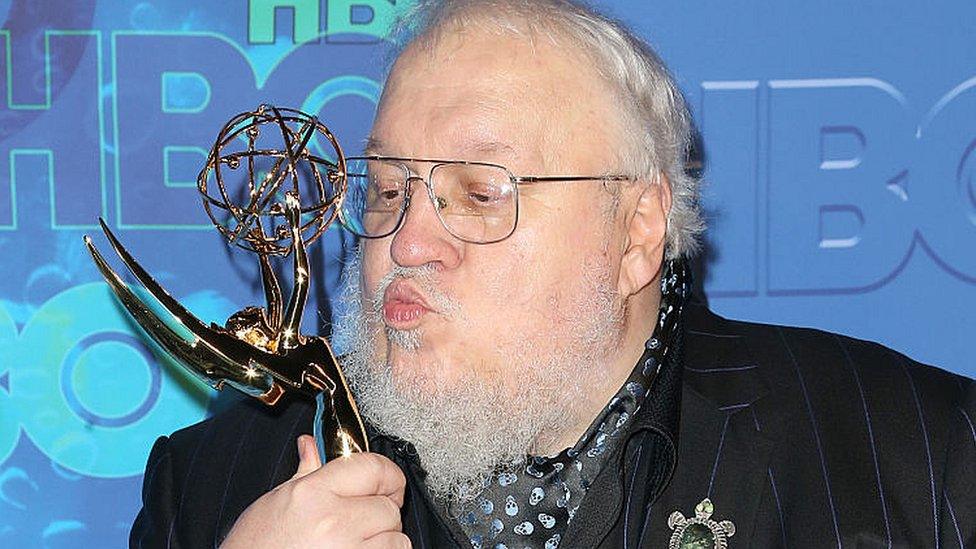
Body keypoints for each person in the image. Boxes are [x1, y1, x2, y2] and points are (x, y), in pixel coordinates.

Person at [129, 1, 975, 547]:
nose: (406, 241)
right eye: (387, 188)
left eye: (478, 192)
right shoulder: (211, 487)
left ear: (638, 230)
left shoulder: (919, 454)